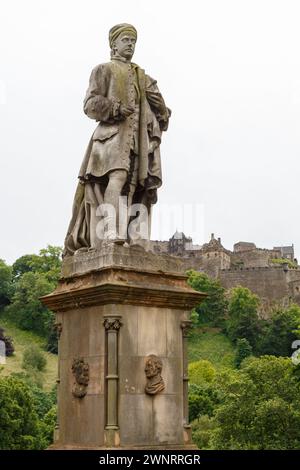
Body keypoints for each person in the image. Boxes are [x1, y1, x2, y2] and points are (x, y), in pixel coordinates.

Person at [64, 23, 170, 256]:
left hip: (137, 144)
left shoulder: (143, 77)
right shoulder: (104, 70)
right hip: (109, 141)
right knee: (117, 179)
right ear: (114, 44)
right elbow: (90, 105)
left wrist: (160, 115)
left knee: (135, 187)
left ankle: (134, 239)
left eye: (133, 41)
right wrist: (114, 108)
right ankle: (110, 232)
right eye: (126, 40)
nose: (130, 45)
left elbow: (161, 108)